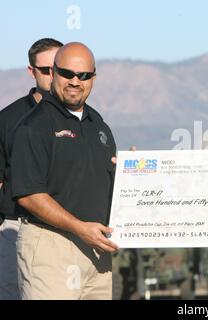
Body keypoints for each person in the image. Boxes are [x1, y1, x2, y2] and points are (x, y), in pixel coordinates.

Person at [10, 42, 119, 300]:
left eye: (83, 76)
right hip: (51, 245)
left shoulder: (99, 126)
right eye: (67, 74)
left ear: (93, 77)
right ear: (54, 73)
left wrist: (134, 172)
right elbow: (29, 194)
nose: (75, 81)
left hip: (97, 250)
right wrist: (80, 228)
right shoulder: (33, 126)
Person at [0, 38, 63, 300]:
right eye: (45, 70)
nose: (53, 76)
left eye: (58, 69)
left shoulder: (90, 120)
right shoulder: (8, 119)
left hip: (67, 232)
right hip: (16, 228)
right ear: (32, 71)